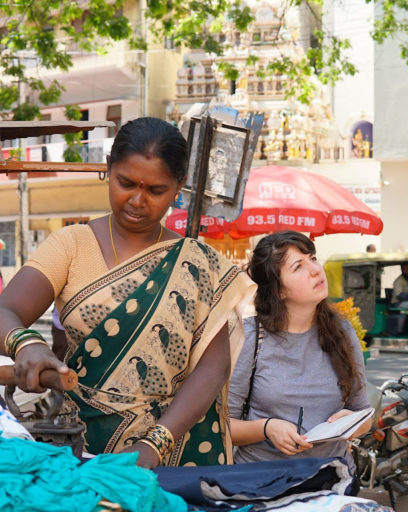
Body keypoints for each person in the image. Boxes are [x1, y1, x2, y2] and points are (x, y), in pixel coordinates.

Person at [0, 117, 255, 469]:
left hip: (179, 448)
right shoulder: (71, 245)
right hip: (87, 445)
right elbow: (6, 310)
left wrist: (154, 445)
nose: (137, 200)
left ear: (178, 186)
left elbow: (214, 368)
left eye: (155, 190)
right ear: (108, 168)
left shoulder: (197, 262)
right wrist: (25, 343)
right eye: (126, 183)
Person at [228, 231, 371, 472]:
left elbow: (363, 414)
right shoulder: (251, 338)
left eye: (313, 258)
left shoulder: (342, 332)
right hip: (261, 482)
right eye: (298, 267)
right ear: (278, 290)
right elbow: (224, 427)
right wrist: (267, 428)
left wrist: (351, 425)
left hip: (330, 480)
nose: (316, 270)